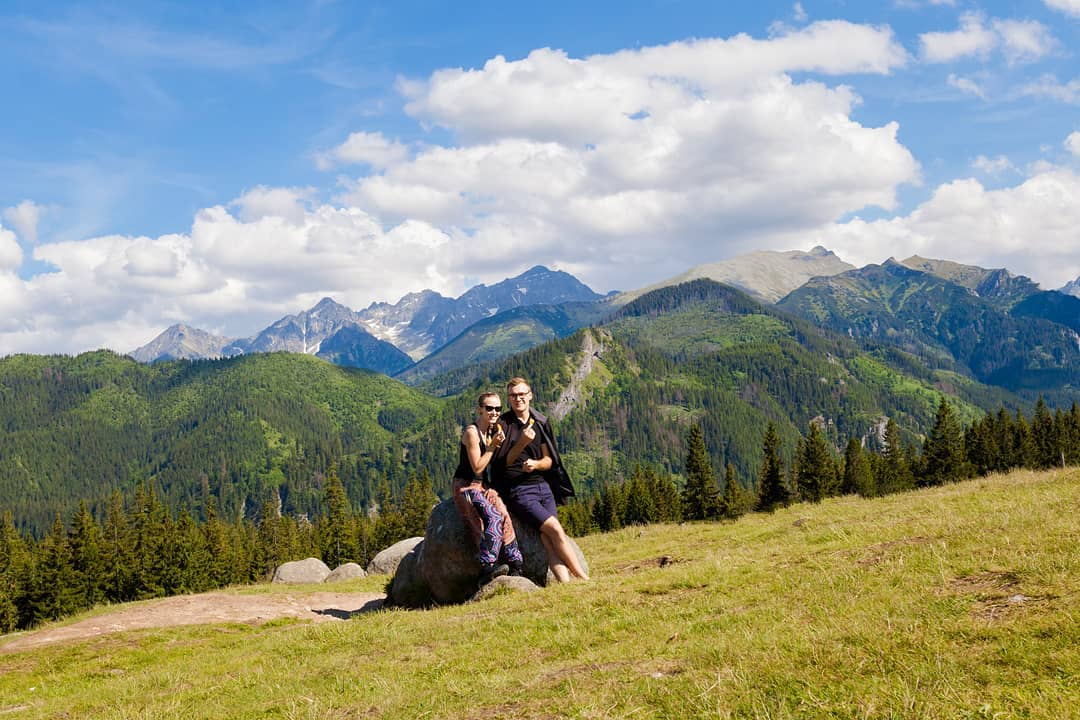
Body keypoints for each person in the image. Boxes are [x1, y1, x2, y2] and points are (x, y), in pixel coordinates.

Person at [493, 377, 589, 582]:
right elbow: (503, 462)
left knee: (547, 538)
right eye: (513, 395)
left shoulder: (540, 422)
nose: (518, 398)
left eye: (522, 394)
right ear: (509, 399)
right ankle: (582, 578)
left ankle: (566, 583)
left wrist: (535, 465)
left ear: (530, 395)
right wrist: (522, 443)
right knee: (555, 528)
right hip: (519, 491)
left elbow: (548, 460)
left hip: (543, 488)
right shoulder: (502, 424)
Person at [452, 392, 524, 585]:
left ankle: (515, 562)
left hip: (483, 485)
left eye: (498, 409)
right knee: (490, 516)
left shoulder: (493, 430)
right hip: (466, 486)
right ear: (480, 409)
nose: (494, 412)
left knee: (503, 512)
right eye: (490, 408)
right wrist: (492, 447)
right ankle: (488, 566)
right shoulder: (472, 432)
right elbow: (477, 466)